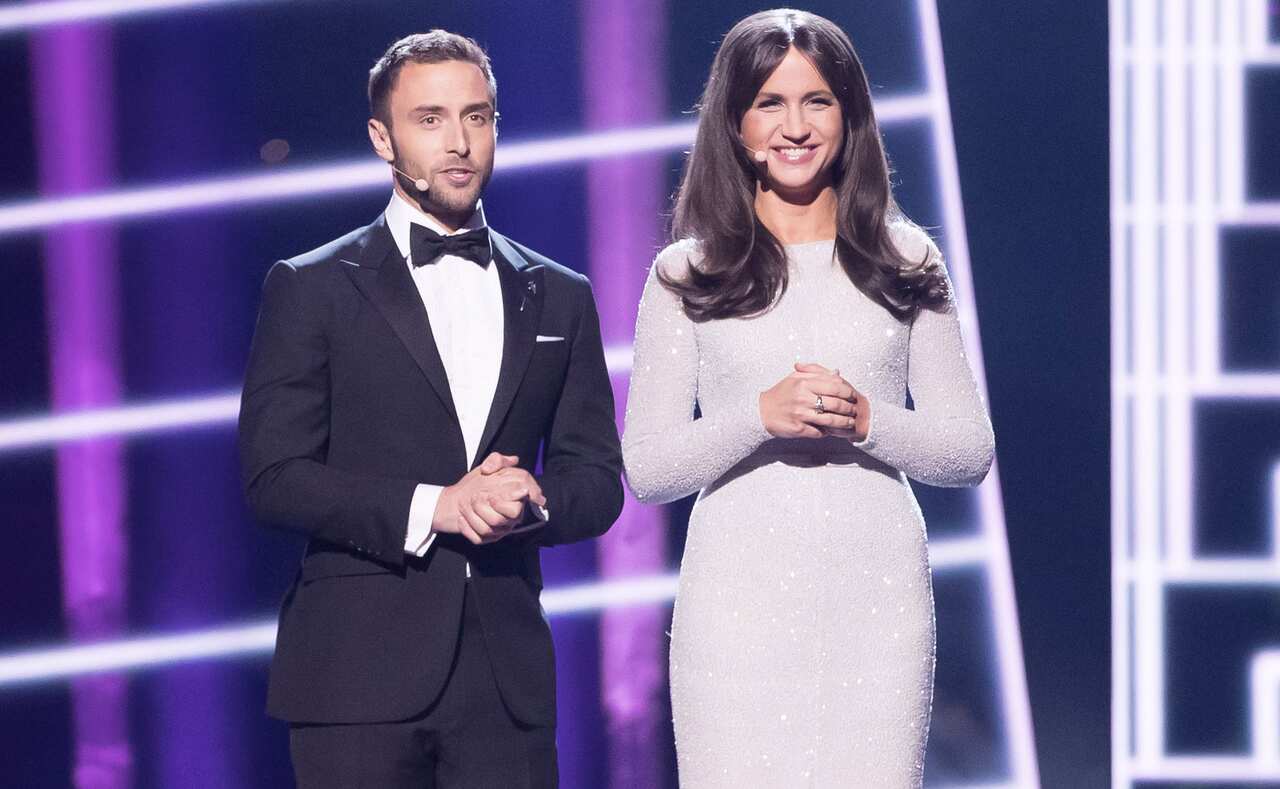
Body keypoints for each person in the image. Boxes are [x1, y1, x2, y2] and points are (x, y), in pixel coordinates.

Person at [238, 30, 622, 788]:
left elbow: (598, 478)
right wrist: (437, 506)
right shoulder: (311, 285)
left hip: (505, 682)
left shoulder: (560, 293)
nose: (459, 143)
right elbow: (274, 476)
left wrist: (532, 500)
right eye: (431, 119)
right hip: (354, 678)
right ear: (383, 137)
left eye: (477, 117)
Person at [622, 9, 995, 788]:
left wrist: (868, 419)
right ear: (735, 121)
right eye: (769, 103)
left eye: (817, 101)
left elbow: (969, 449)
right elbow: (649, 468)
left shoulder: (905, 257)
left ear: (849, 113)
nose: (795, 126)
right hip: (735, 608)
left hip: (878, 604)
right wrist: (758, 414)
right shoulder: (684, 275)